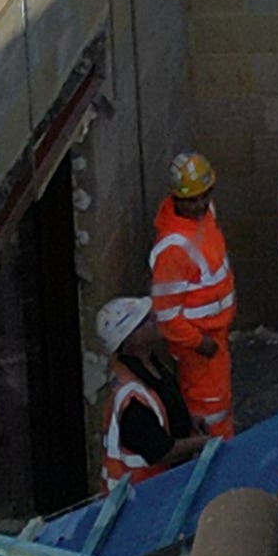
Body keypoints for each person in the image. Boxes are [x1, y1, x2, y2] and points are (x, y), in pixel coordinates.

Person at [148, 152, 238, 442]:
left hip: (214, 337)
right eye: (192, 199)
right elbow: (167, 315)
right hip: (200, 347)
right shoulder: (173, 249)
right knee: (208, 411)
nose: (200, 205)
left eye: (204, 195)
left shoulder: (206, 213)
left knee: (220, 404)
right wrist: (200, 343)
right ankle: (215, 457)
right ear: (176, 198)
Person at [93, 296, 190, 490]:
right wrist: (206, 443)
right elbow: (159, 451)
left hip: (160, 486)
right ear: (132, 338)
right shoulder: (131, 397)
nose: (154, 319)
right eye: (145, 320)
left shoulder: (152, 365)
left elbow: (166, 403)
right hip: (141, 496)